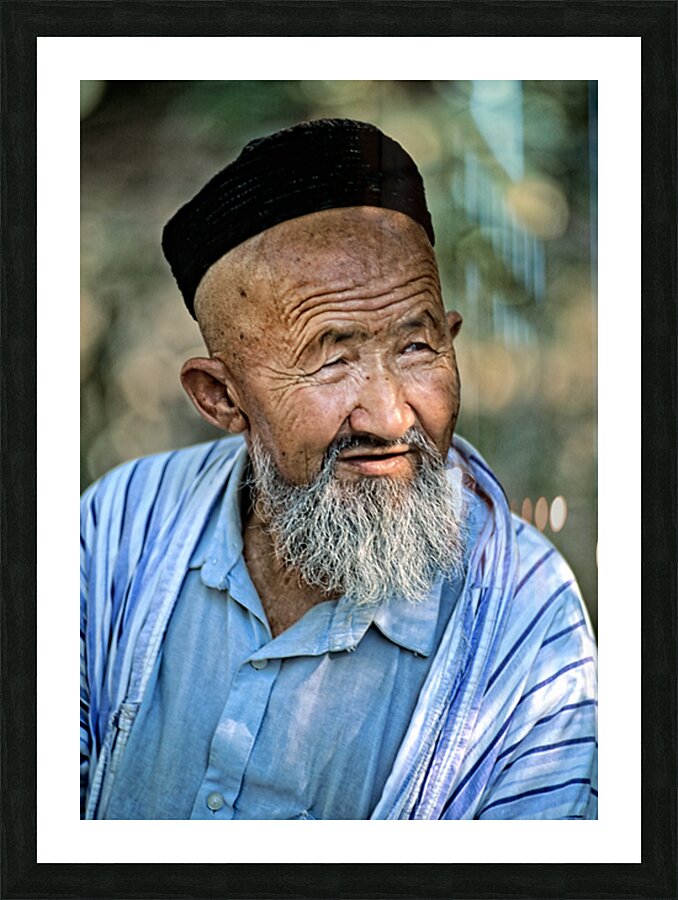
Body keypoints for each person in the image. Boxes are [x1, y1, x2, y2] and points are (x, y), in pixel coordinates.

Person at [80, 118, 597, 820]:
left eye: (416, 347)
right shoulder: (117, 529)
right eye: (331, 359)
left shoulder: (527, 621)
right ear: (221, 397)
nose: (389, 417)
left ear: (451, 340)